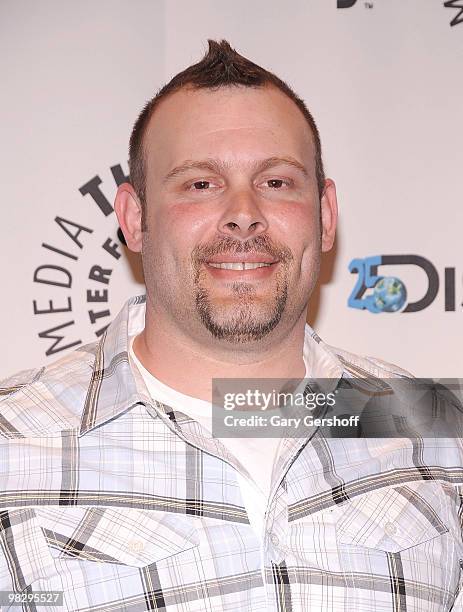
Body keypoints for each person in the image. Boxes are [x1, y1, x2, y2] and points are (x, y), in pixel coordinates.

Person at [1, 39, 462, 612]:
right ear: (134, 219)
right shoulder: (11, 439)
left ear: (324, 217)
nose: (244, 212)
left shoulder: (430, 425)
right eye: (201, 184)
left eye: (276, 182)